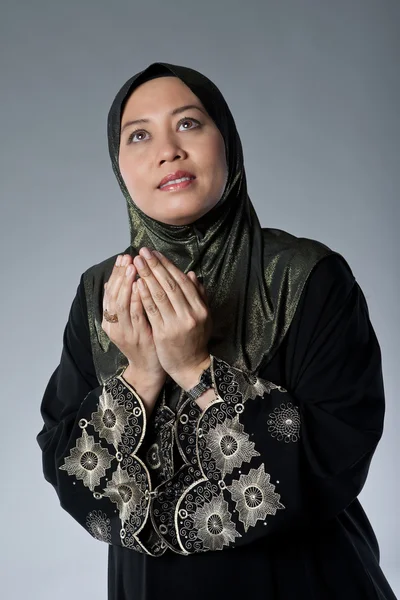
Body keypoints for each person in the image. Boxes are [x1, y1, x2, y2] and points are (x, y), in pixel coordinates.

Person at [36, 62, 397, 600]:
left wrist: (195, 368)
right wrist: (139, 375)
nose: (168, 151)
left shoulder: (307, 278)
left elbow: (333, 464)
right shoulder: (102, 295)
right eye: (139, 135)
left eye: (188, 124)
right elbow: (74, 480)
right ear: (120, 167)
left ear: (226, 141)